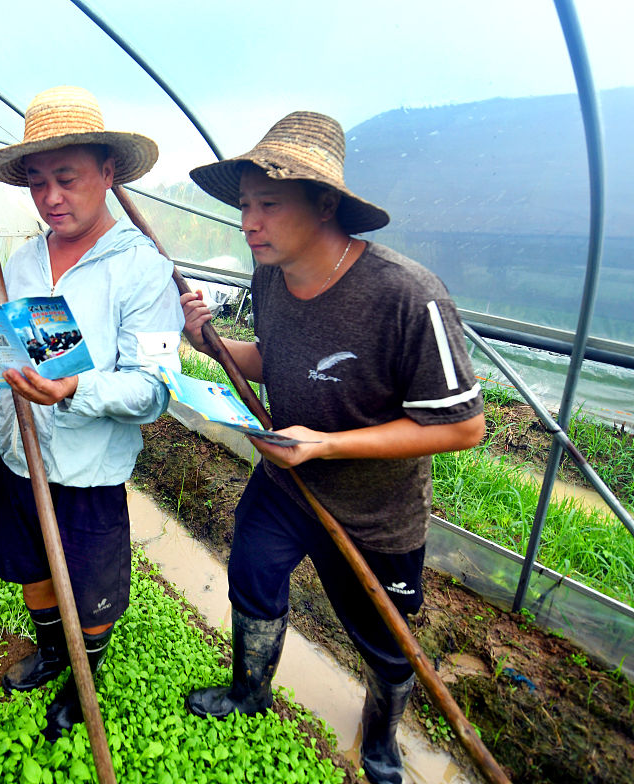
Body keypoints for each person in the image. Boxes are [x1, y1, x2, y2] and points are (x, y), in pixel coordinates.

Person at [179, 111, 485, 784]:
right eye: (244, 206)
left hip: (376, 512)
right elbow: (276, 357)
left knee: (384, 637)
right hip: (286, 484)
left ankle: (380, 740)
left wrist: (328, 444)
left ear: (324, 204)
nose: (247, 223)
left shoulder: (406, 295)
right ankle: (249, 691)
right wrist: (212, 345)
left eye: (267, 206)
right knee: (253, 581)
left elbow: (464, 426)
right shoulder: (269, 274)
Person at [0, 86, 184, 740]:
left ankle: (82, 675)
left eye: (66, 179)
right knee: (32, 569)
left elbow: (154, 389)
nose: (51, 198)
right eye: (37, 184)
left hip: (88, 469)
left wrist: (74, 391)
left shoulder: (142, 271)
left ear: (108, 173)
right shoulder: (24, 260)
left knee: (89, 590)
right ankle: (49, 652)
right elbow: (23, 349)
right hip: (20, 450)